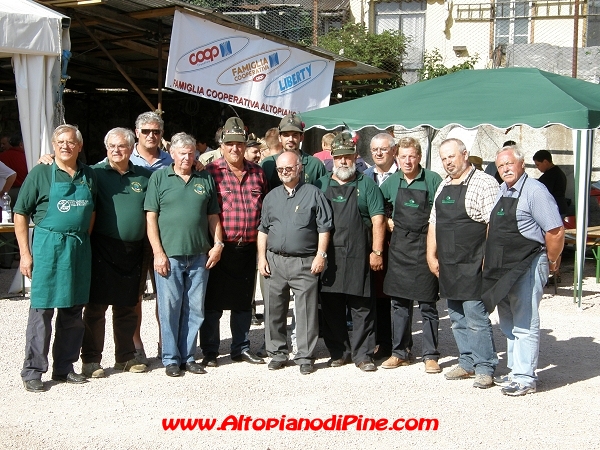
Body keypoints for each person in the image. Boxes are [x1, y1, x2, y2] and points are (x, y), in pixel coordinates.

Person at [15, 124, 97, 392]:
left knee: (73, 310)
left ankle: (64, 367)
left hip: (77, 248)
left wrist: (82, 236)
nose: (65, 146)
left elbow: (92, 211)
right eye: (60, 141)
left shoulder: (89, 175)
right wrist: (25, 254)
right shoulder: (41, 173)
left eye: (71, 142)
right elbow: (20, 213)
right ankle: (33, 371)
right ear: (53, 145)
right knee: (42, 310)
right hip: (48, 248)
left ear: (79, 146)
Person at [483, 144, 564, 396]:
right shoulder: (501, 190)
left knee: (525, 321)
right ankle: (515, 370)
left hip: (528, 262)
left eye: (509, 163)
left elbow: (555, 231)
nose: (505, 168)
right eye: (500, 166)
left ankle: (526, 378)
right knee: (507, 320)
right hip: (502, 267)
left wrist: (551, 260)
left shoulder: (535, 191)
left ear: (522, 164)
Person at [145, 132, 223, 377]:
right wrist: (157, 252)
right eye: (182, 153)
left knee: (195, 308)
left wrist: (218, 243)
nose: (187, 157)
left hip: (200, 255)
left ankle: (188, 356)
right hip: (170, 255)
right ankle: (170, 358)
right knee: (170, 308)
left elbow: (213, 216)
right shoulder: (159, 178)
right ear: (173, 155)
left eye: (191, 153)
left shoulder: (204, 179)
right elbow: (151, 218)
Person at [427, 138, 499, 389]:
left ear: (465, 155)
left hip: (473, 262)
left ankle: (485, 367)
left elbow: (495, 224)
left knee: (475, 316)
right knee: (456, 315)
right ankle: (467, 362)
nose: (447, 162)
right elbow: (433, 223)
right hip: (448, 262)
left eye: (451, 156)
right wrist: (430, 255)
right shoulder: (443, 185)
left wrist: (488, 260)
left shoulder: (484, 182)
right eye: (444, 158)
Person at [80, 128, 152, 378]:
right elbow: (67, 173)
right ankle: (90, 360)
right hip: (102, 247)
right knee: (96, 308)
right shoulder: (94, 173)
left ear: (132, 148)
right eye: (111, 146)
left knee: (127, 307)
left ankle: (125, 357)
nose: (115, 150)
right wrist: (45, 160)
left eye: (121, 146)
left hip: (134, 251)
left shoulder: (144, 176)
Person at [199, 118, 268, 367]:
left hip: (248, 247)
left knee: (243, 303)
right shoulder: (211, 172)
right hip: (220, 247)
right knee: (213, 304)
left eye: (239, 144)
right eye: (229, 144)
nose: (235, 149)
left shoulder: (258, 173)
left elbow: (265, 211)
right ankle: (209, 351)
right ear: (222, 145)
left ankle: (241, 347)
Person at [316, 129, 385, 372]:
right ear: (332, 158)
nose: (343, 161)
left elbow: (378, 220)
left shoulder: (366, 185)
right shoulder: (321, 184)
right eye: (339, 157)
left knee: (362, 307)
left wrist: (376, 252)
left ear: (355, 156)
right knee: (331, 306)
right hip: (330, 256)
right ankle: (339, 351)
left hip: (358, 255)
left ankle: (363, 355)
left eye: (348, 156)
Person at [257, 151, 333, 374]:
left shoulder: (314, 194)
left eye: (288, 168)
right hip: (275, 261)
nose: (284, 173)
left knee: (306, 311)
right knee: (273, 309)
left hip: (304, 262)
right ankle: (277, 352)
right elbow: (263, 229)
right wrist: (261, 258)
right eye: (280, 170)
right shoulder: (271, 197)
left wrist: (321, 254)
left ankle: (304, 355)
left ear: (299, 168)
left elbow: (324, 227)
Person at [380, 137, 443, 374]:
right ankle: (400, 353)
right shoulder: (390, 182)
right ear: (397, 157)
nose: (407, 161)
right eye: (403, 156)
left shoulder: (433, 179)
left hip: (425, 245)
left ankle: (431, 355)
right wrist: (386, 219)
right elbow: (378, 207)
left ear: (419, 157)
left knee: (428, 304)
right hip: (399, 249)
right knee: (399, 304)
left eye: (412, 156)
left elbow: (443, 211)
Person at [129, 111, 173, 365]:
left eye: (155, 131)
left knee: (165, 294)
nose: (151, 135)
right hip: (135, 237)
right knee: (134, 295)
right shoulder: (123, 155)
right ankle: (136, 345)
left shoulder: (171, 160)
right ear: (137, 132)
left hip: (163, 237)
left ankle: (165, 341)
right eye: (146, 131)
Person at [363, 132, 398, 359]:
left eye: (383, 149)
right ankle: (381, 341)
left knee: (399, 295)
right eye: (374, 149)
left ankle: (401, 343)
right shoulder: (365, 176)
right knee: (377, 293)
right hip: (372, 242)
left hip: (398, 243)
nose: (378, 153)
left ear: (393, 151)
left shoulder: (405, 174)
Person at [260, 114, 326, 190]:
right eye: (286, 135)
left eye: (295, 135)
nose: (290, 139)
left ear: (302, 137)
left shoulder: (315, 165)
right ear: (279, 138)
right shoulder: (268, 164)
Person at [533, 150, 568, 215]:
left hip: (554, 210)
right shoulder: (558, 172)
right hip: (559, 208)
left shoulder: (550, 176)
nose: (537, 167)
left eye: (538, 165)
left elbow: (541, 195)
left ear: (545, 162)